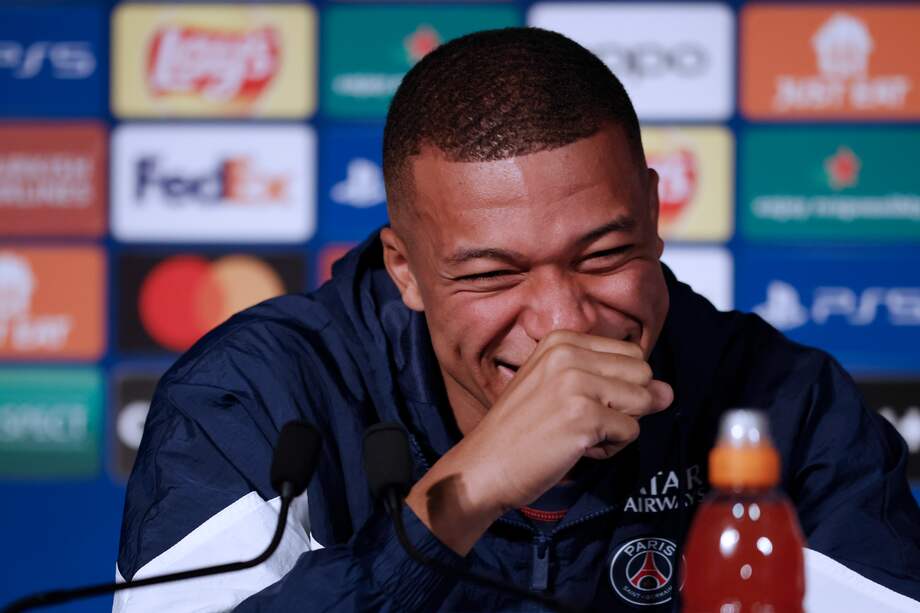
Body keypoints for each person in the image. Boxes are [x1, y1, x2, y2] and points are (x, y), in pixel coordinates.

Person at [114, 28, 920, 612]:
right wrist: (470, 488)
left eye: (603, 255)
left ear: (652, 210)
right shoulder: (250, 395)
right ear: (407, 269)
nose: (563, 322)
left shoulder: (786, 403)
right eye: (493, 274)